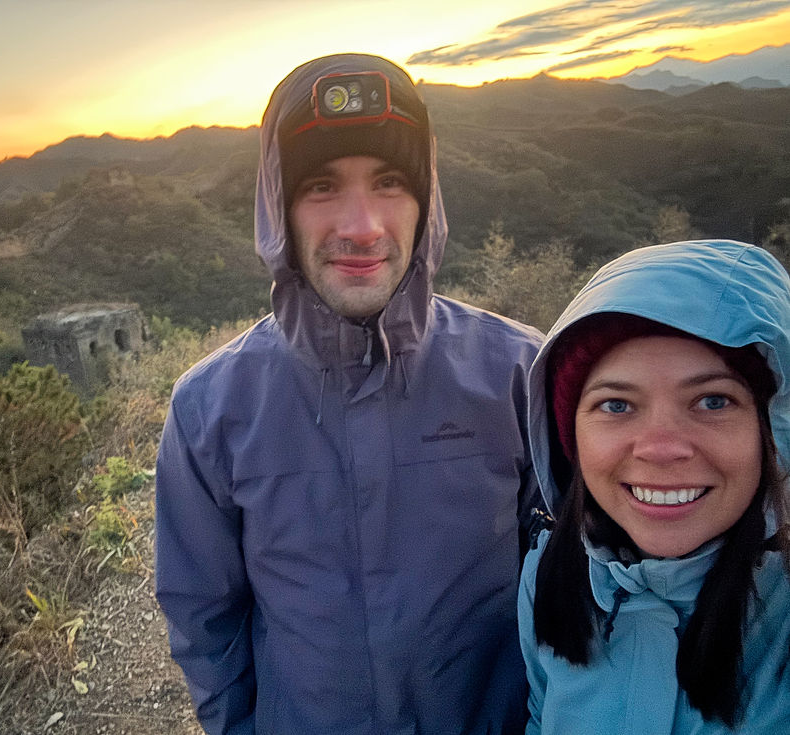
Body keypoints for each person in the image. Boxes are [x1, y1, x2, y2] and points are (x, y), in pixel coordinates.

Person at [154, 53, 543, 734]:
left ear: (426, 203)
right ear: (280, 210)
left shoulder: (521, 376)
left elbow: (576, 589)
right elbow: (203, 617)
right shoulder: (209, 411)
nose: (361, 225)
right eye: (321, 186)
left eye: (390, 181)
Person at [519, 239, 790, 734]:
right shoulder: (550, 575)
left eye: (712, 401)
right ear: (572, 438)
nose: (661, 449)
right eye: (617, 405)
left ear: (772, 430)